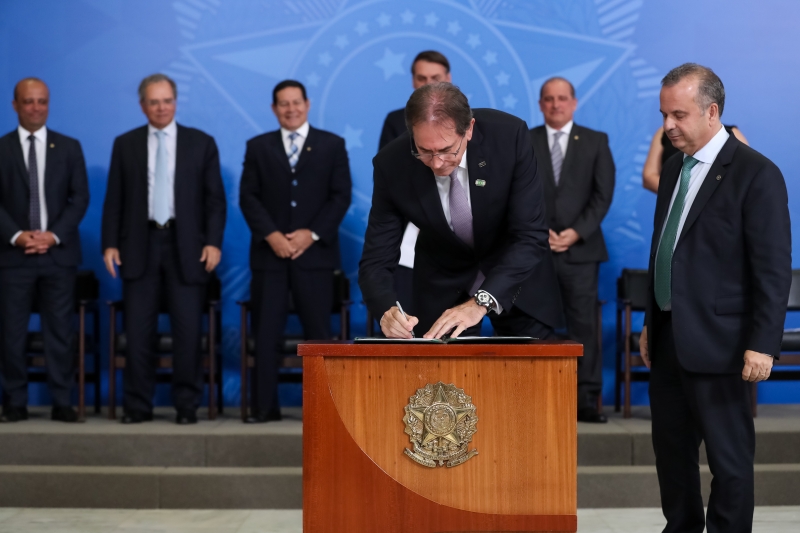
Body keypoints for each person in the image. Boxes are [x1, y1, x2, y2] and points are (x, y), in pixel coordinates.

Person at [640, 63, 791, 532]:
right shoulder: (671, 168)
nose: (668, 126)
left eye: (678, 115)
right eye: (664, 114)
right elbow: (666, 249)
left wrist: (764, 343)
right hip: (667, 340)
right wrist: (651, 320)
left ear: (712, 111)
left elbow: (772, 268)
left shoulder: (756, 173)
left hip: (725, 346)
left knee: (729, 464)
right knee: (671, 458)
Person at [360, 82, 562, 340]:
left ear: (469, 129)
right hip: (442, 282)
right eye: (424, 151)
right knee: (439, 380)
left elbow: (530, 235)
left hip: (516, 277)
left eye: (446, 150)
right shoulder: (392, 164)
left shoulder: (508, 137)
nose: (436, 163)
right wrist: (385, 311)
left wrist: (481, 302)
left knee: (530, 376)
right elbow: (376, 258)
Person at [101, 74, 226, 425]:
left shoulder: (200, 143)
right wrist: (109, 242)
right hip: (138, 246)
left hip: (187, 248)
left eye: (167, 100)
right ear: (143, 106)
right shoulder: (124, 144)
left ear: (176, 101)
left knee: (188, 333)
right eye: (154, 102)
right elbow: (114, 199)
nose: (161, 107)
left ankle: (186, 406)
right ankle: (137, 407)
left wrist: (213, 242)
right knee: (139, 334)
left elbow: (215, 200)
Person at [240, 80, 351, 422]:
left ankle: (324, 410)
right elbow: (249, 197)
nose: (290, 109)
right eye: (283, 104)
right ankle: (264, 407)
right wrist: (272, 235)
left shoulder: (332, 145)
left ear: (307, 104)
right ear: (274, 109)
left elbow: (340, 196)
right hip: (269, 257)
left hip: (315, 258)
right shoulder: (258, 147)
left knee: (319, 337)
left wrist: (311, 234)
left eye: (296, 102)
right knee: (266, 334)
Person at [0, 78, 89, 423]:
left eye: (42, 101)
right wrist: (18, 235)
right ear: (15, 105)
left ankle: (62, 402)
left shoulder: (69, 147)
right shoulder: (2, 147)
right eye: (28, 101)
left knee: (60, 333)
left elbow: (79, 198)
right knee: (11, 333)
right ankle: (14, 402)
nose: (36, 108)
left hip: (58, 255)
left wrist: (52, 235)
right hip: (12, 257)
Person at [529, 77, 615, 423]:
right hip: (536, 252)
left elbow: (602, 194)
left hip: (581, 252)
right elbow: (519, 193)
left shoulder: (595, 141)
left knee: (584, 328)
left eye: (562, 98)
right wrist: (540, 232)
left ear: (574, 102)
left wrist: (575, 232)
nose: (555, 104)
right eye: (548, 99)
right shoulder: (527, 140)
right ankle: (537, 398)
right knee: (535, 328)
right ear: (540, 104)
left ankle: (585, 401)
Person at [377, 51, 453, 316]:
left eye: (436, 77)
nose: (429, 84)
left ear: (449, 79)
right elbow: (389, 179)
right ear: (412, 81)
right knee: (409, 321)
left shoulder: (465, 119)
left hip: (460, 230)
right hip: (410, 234)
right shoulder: (395, 121)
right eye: (422, 78)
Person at [643, 124, 748, 192]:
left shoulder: (732, 135)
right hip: (673, 212)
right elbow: (649, 176)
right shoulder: (665, 133)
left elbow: (744, 179)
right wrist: (682, 194)